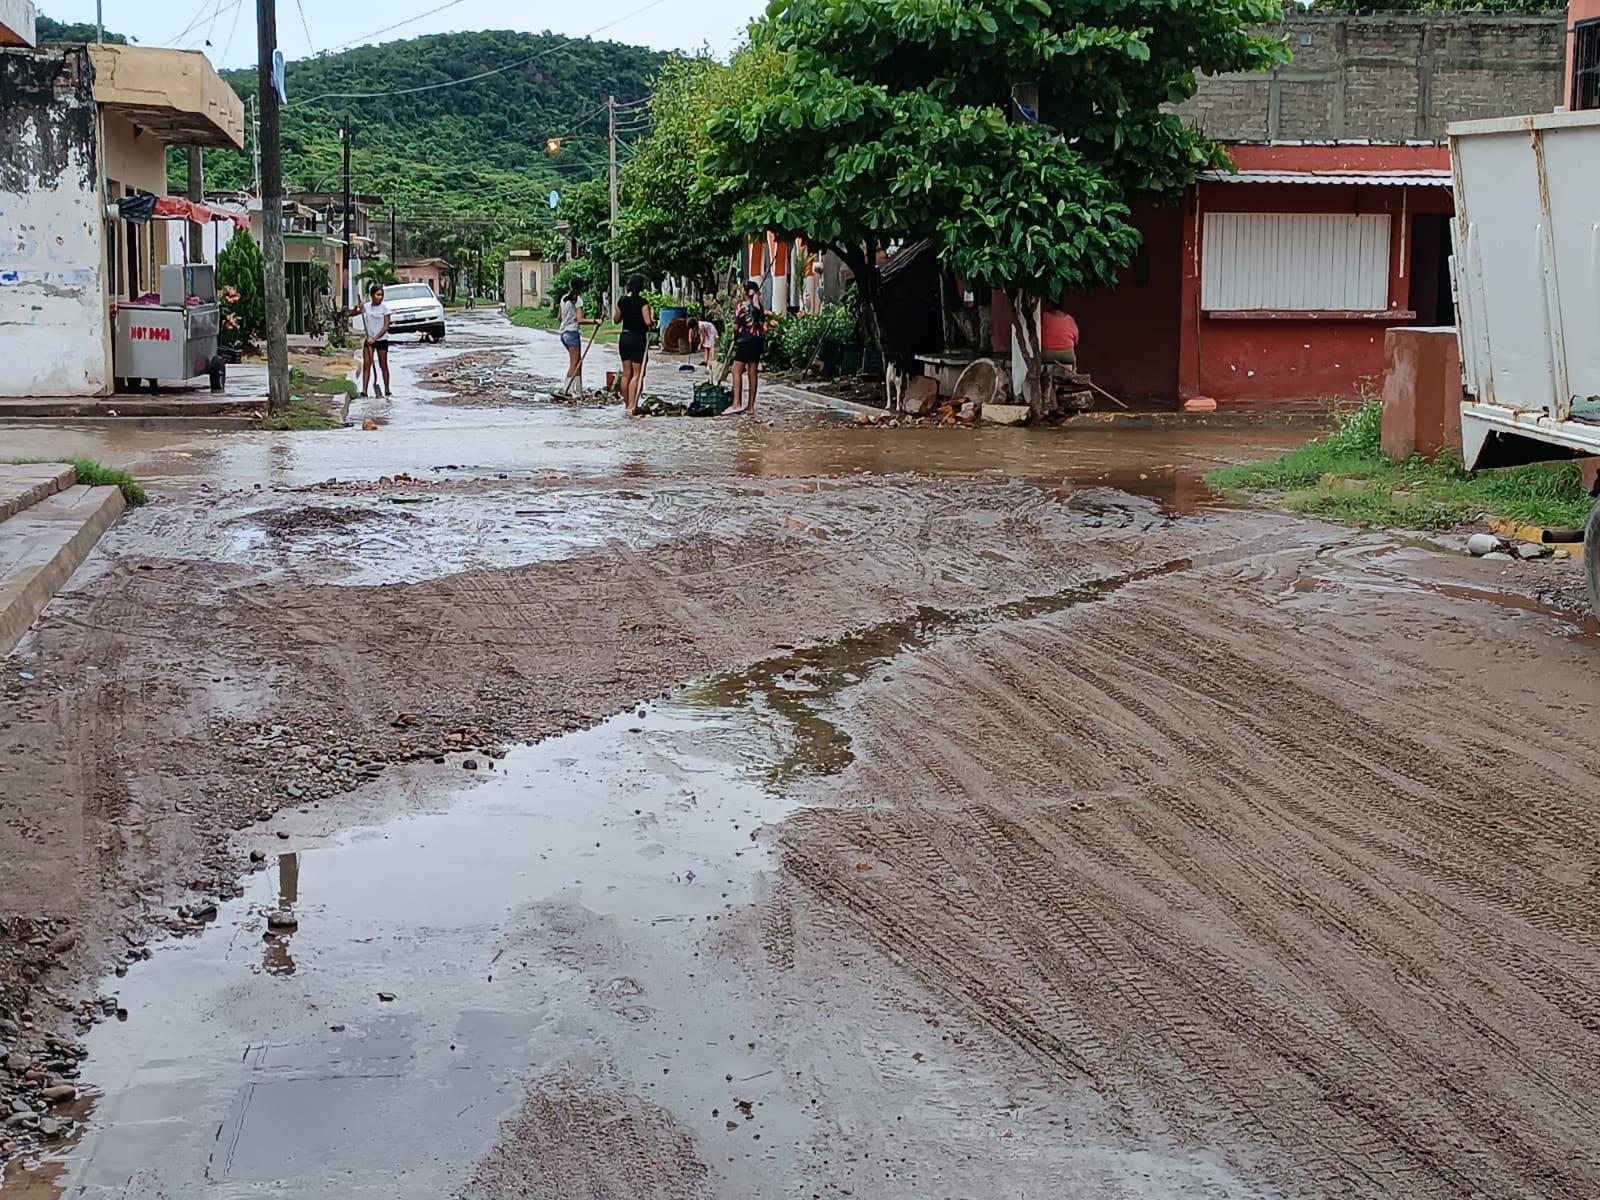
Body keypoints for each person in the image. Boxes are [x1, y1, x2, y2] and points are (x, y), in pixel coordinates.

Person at [613, 273, 653, 417]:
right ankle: (632, 405)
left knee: (626, 373)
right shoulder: (643, 303)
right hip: (638, 338)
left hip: (624, 338)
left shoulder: (622, 301)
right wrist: (653, 320)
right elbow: (647, 322)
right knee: (637, 374)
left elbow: (616, 319)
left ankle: (627, 405)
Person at [726, 280, 767, 415]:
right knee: (752, 372)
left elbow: (736, 327)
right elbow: (761, 326)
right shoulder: (759, 307)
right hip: (758, 341)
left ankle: (736, 403)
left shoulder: (742, 307)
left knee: (736, 370)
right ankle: (750, 406)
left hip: (745, 341)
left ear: (745, 292)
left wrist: (735, 337)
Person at [352, 283, 392, 399]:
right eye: (378, 295)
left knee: (383, 365)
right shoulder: (366, 307)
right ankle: (364, 390)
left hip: (381, 340)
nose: (380, 297)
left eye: (382, 295)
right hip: (368, 339)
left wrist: (375, 338)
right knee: (367, 365)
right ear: (372, 295)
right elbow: (353, 314)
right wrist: (357, 308)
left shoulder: (385, 309)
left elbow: (386, 327)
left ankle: (387, 389)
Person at [558, 280, 592, 392]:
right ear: (582, 288)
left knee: (578, 363)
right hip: (572, 333)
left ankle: (577, 389)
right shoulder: (578, 300)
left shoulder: (564, 298)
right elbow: (580, 319)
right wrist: (594, 321)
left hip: (563, 333)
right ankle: (567, 389)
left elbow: (559, 317)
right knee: (574, 363)